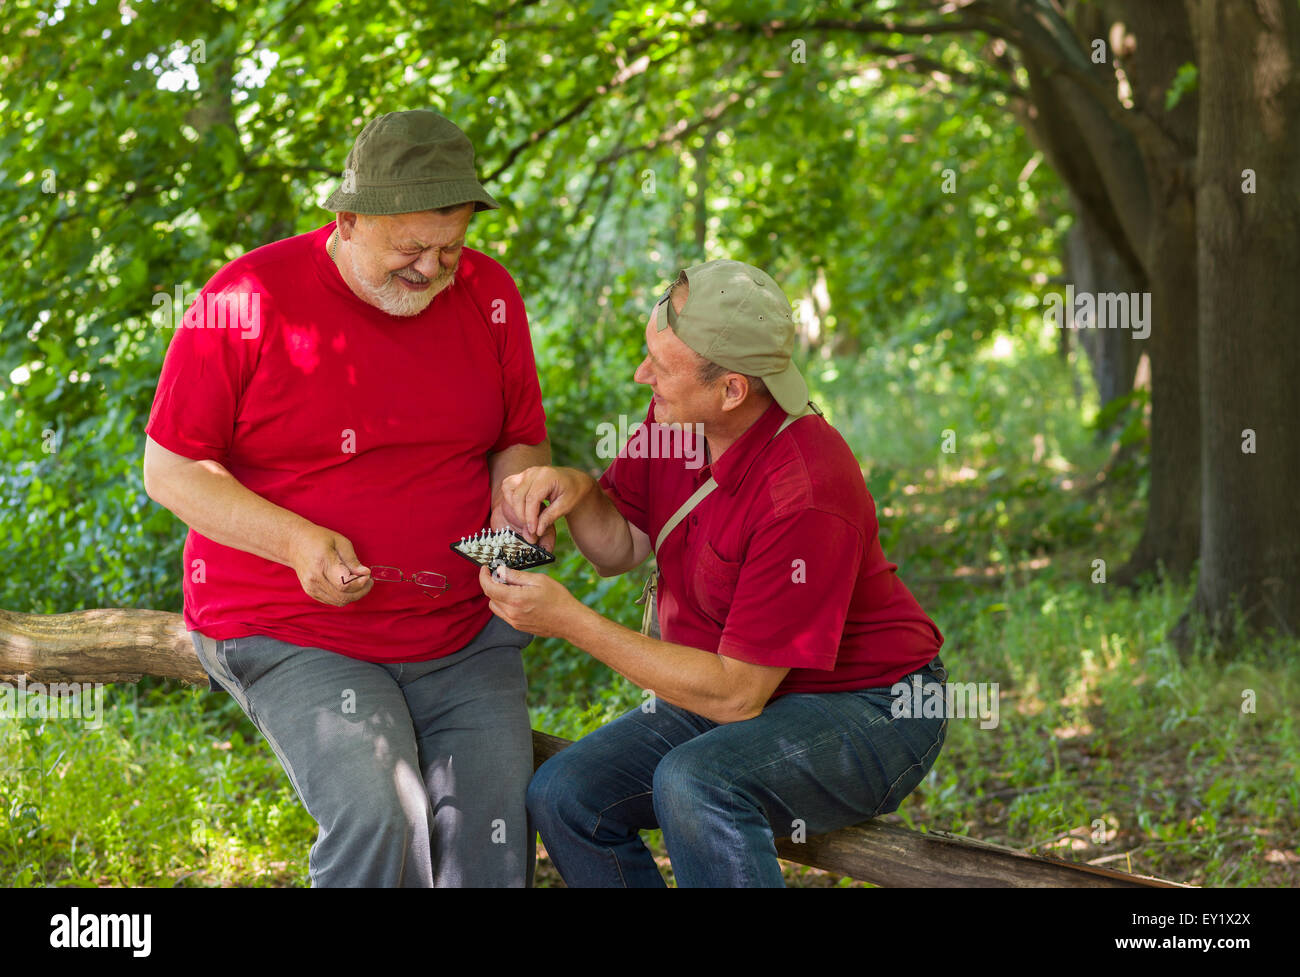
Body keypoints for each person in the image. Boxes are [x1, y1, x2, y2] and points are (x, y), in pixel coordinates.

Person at [142, 110, 550, 887]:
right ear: (348, 218)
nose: (433, 270)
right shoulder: (249, 296)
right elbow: (172, 469)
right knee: (379, 816)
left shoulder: (491, 294)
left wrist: (518, 499)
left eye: (450, 249)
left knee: (492, 842)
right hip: (295, 628)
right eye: (411, 249)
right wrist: (296, 541)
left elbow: (519, 439)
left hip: (460, 631)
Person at [480, 259, 947, 887]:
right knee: (566, 793)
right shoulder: (676, 421)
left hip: (871, 708)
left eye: (660, 368)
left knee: (698, 782)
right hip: (742, 686)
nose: (642, 375)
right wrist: (577, 492)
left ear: (732, 390)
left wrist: (569, 622)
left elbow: (734, 694)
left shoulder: (805, 489)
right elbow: (619, 546)